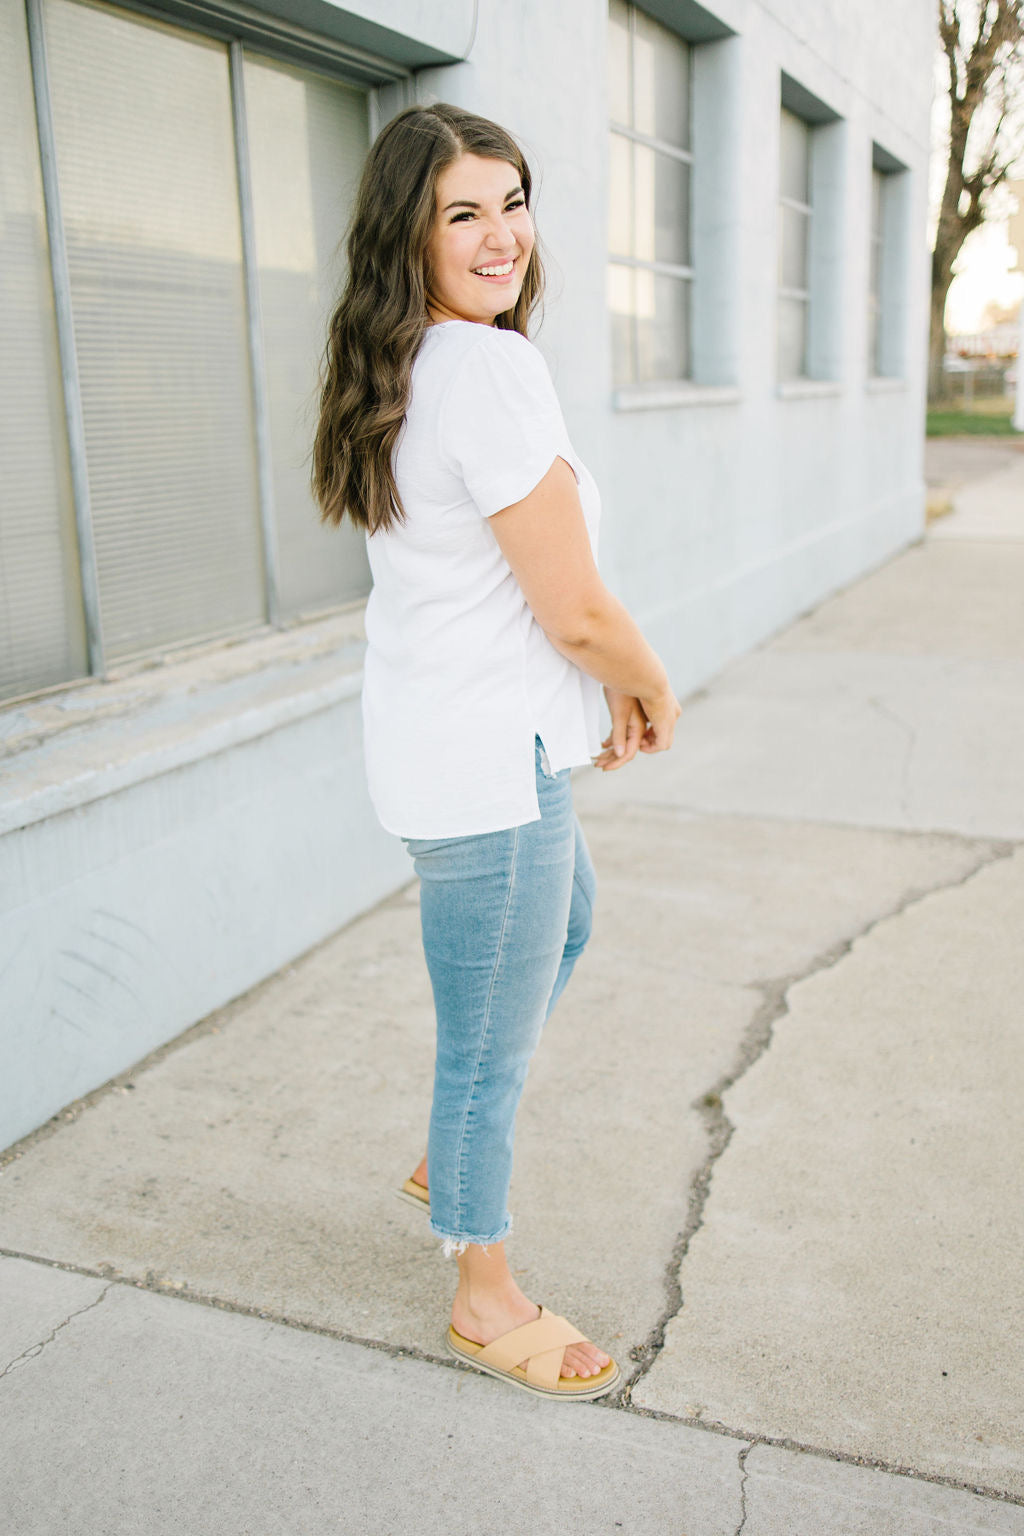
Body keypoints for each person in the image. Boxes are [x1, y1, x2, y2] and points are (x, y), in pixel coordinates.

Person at [313, 102, 680, 1400]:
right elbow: (573, 605)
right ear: (407, 235)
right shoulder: (484, 368)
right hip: (487, 773)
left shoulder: (404, 360)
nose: (502, 235)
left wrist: (593, 701)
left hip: (441, 751)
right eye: (462, 212)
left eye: (512, 202)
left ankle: (451, 1152)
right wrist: (644, 685)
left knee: (564, 930)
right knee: (487, 1049)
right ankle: (483, 1289)